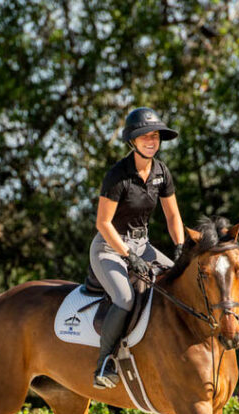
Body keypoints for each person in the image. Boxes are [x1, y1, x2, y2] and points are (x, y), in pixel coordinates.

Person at [90, 107, 186, 388]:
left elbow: (173, 216)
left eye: (155, 136)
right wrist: (128, 255)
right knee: (125, 298)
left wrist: (179, 248)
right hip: (109, 247)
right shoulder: (117, 175)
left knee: (179, 284)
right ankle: (104, 363)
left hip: (143, 245)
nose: (151, 141)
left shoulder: (161, 172)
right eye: (145, 136)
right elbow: (103, 223)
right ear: (133, 141)